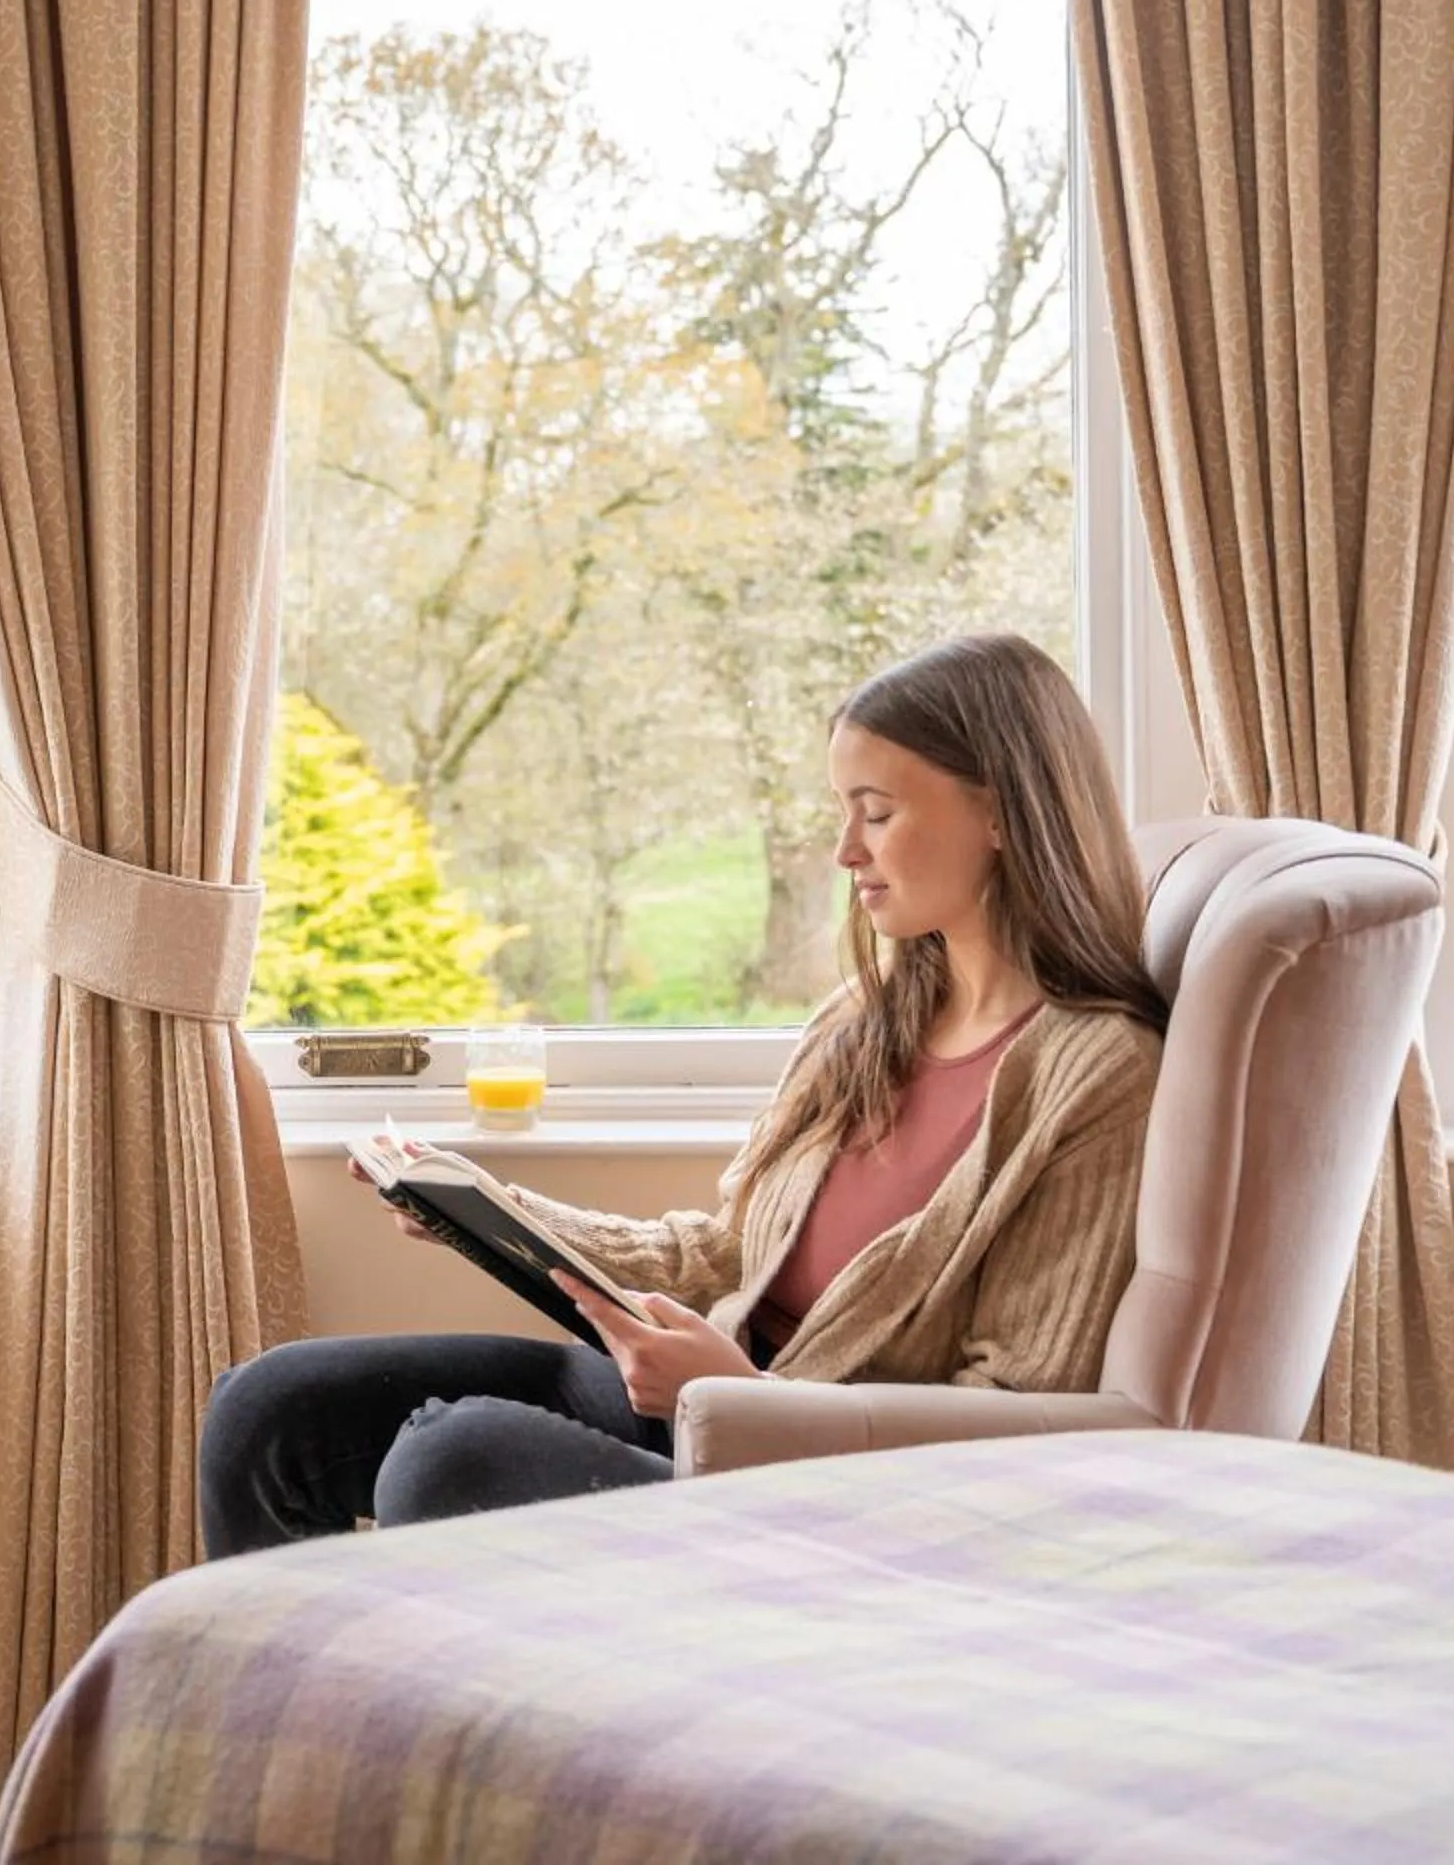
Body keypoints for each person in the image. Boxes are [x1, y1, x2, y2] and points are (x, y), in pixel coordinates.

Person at [198, 633, 1168, 1560]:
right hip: (718, 1406)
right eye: (842, 812)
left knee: (452, 1461)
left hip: (832, 1489)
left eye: (876, 813)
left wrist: (743, 1401)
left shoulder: (1099, 1074)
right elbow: (725, 1253)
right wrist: (490, 1214)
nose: (845, 850)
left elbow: (1017, 1409)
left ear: (1001, 814)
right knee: (266, 1411)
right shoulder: (863, 1022)